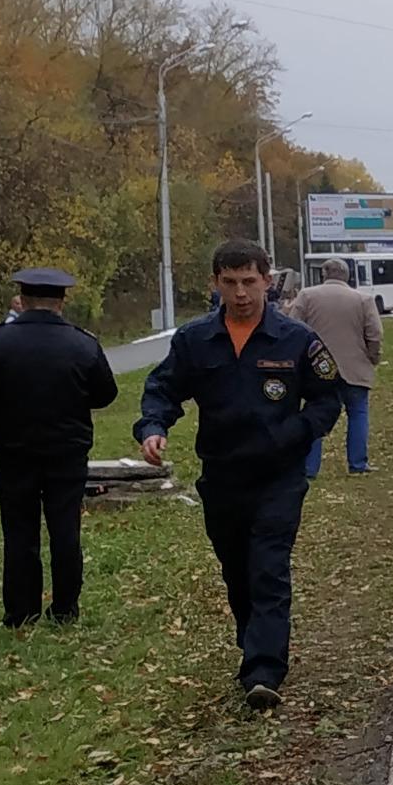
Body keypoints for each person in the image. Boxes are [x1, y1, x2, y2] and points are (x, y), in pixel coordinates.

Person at [136, 240, 343, 712]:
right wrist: (153, 427)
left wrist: (296, 434)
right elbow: (163, 387)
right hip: (223, 474)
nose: (241, 293)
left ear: (268, 281)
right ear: (216, 284)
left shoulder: (296, 340)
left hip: (278, 475)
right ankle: (252, 642)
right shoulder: (195, 340)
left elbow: (329, 398)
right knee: (237, 571)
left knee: (268, 568)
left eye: (250, 281)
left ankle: (265, 668)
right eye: (230, 283)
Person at [0, 267, 117, 627]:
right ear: (61, 302)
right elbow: (105, 394)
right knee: (65, 530)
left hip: (15, 451)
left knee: (19, 531)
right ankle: (65, 609)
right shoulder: (83, 343)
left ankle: (20, 610)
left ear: (24, 300)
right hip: (67, 451)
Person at [287, 259, 384, 476]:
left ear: (324, 274)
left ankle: (309, 468)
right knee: (358, 414)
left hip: (318, 368)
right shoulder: (363, 299)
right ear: (347, 276)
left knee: (315, 415)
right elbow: (375, 334)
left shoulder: (307, 296)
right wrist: (372, 357)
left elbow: (292, 328)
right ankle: (357, 463)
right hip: (355, 367)